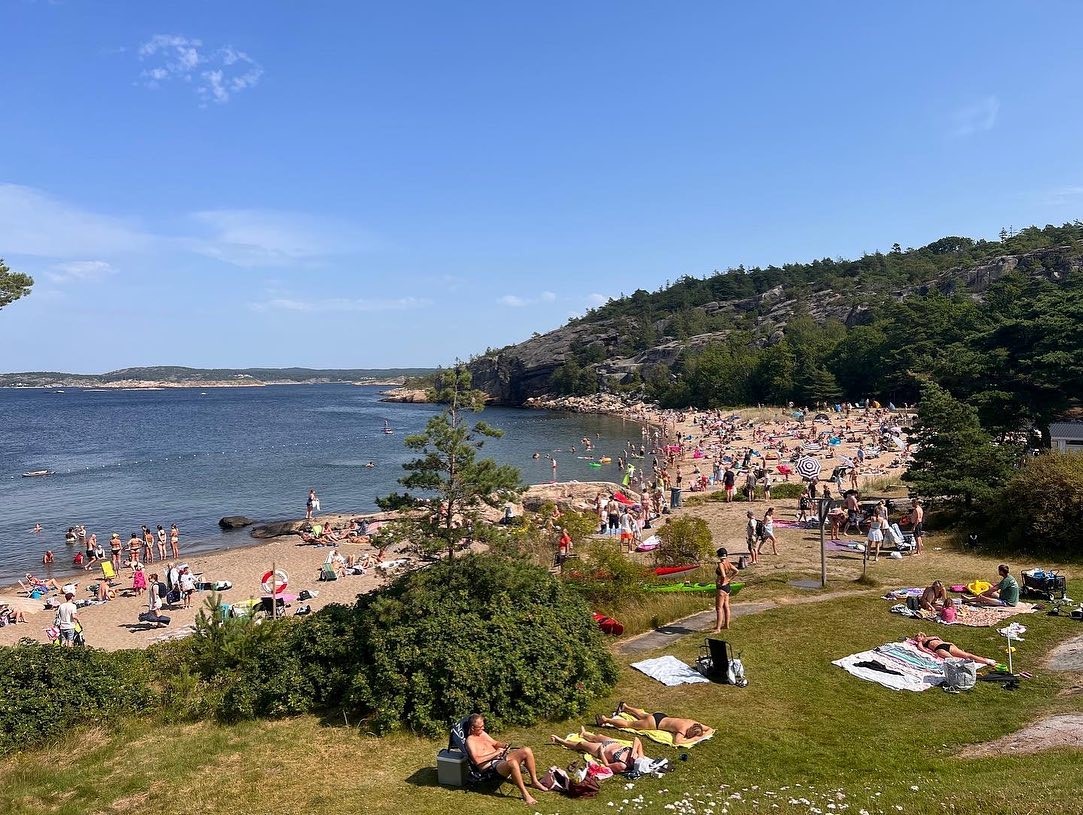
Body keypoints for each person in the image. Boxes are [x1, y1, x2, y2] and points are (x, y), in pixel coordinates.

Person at [464, 714, 546, 806]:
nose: (483, 728)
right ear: (472, 728)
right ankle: (525, 794)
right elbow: (477, 760)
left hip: (499, 759)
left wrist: (503, 745)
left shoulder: (482, 734)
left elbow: (495, 743)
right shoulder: (470, 741)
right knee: (512, 763)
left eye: (483, 726)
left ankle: (534, 781)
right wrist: (495, 753)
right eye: (480, 727)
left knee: (527, 750)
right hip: (490, 768)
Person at [596, 704, 714, 746]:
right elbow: (677, 742)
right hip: (655, 723)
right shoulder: (683, 730)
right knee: (629, 724)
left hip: (661, 715)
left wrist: (701, 735)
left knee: (643, 715)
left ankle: (626, 707)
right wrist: (693, 739)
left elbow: (710, 729)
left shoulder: (693, 722)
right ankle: (605, 720)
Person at [550, 728, 644, 773]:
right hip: (613, 743)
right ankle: (584, 734)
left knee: (582, 745)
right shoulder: (638, 756)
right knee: (597, 736)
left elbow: (607, 765)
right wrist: (634, 751)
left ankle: (560, 741)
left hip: (601, 749)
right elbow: (637, 739)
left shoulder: (623, 765)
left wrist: (601, 752)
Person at [913, 632, 997, 666]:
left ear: (922, 635)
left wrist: (948, 643)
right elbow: (920, 648)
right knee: (952, 660)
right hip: (939, 649)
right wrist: (930, 653)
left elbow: (939, 638)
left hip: (946, 645)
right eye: (916, 639)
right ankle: (966, 665)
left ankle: (986, 661)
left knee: (967, 655)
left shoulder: (930, 637)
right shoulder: (922, 643)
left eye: (918, 637)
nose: (917, 639)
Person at [712, 547, 739, 632]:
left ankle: (718, 628)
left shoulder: (720, 564)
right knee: (726, 606)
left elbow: (723, 575)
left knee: (719, 608)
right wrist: (730, 579)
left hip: (722, 587)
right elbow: (736, 571)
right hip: (727, 586)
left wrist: (722, 583)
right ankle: (726, 625)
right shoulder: (728, 563)